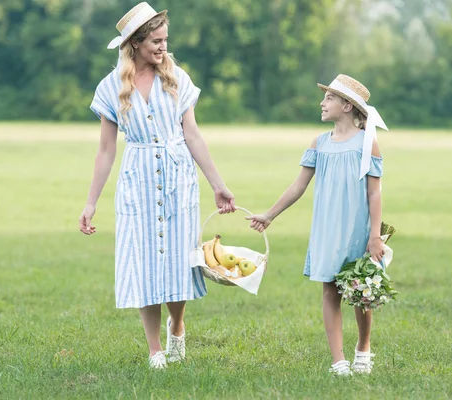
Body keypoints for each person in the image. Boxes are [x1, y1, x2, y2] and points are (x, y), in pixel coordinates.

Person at [78, 2, 236, 369]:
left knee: (181, 261)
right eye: (155, 41)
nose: (163, 47)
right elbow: (105, 151)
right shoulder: (111, 86)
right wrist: (90, 203)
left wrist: (218, 183)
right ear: (134, 43)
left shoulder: (176, 77)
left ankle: (177, 326)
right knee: (143, 263)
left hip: (179, 178)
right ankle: (155, 349)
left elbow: (192, 134)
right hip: (138, 182)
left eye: (165, 40)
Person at [246, 74, 388, 376]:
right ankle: (338, 361)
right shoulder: (319, 143)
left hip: (358, 230)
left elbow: (374, 192)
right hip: (327, 229)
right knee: (330, 291)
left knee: (361, 292)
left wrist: (375, 236)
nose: (322, 103)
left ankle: (363, 347)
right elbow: (298, 185)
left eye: (329, 98)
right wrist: (270, 215)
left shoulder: (367, 144)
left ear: (347, 106)